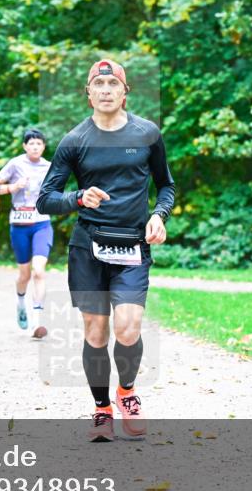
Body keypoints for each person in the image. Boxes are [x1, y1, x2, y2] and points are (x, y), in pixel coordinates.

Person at [37, 59, 175, 442]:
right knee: (96, 333)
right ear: (88, 93)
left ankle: (126, 392)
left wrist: (159, 215)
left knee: (128, 328)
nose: (106, 90)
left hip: (133, 246)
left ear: (125, 91)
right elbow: (45, 199)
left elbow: (166, 185)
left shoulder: (147, 133)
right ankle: (102, 409)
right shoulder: (74, 140)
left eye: (113, 83)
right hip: (89, 248)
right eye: (99, 85)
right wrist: (79, 197)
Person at [0, 129, 53, 339]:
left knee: (39, 271)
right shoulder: (15, 164)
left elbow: (56, 192)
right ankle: (21, 302)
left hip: (41, 223)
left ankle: (37, 320)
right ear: (24, 146)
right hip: (19, 224)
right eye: (31, 143)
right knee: (25, 275)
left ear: (43, 147)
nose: (35, 147)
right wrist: (13, 187)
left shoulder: (49, 167)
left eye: (39, 143)